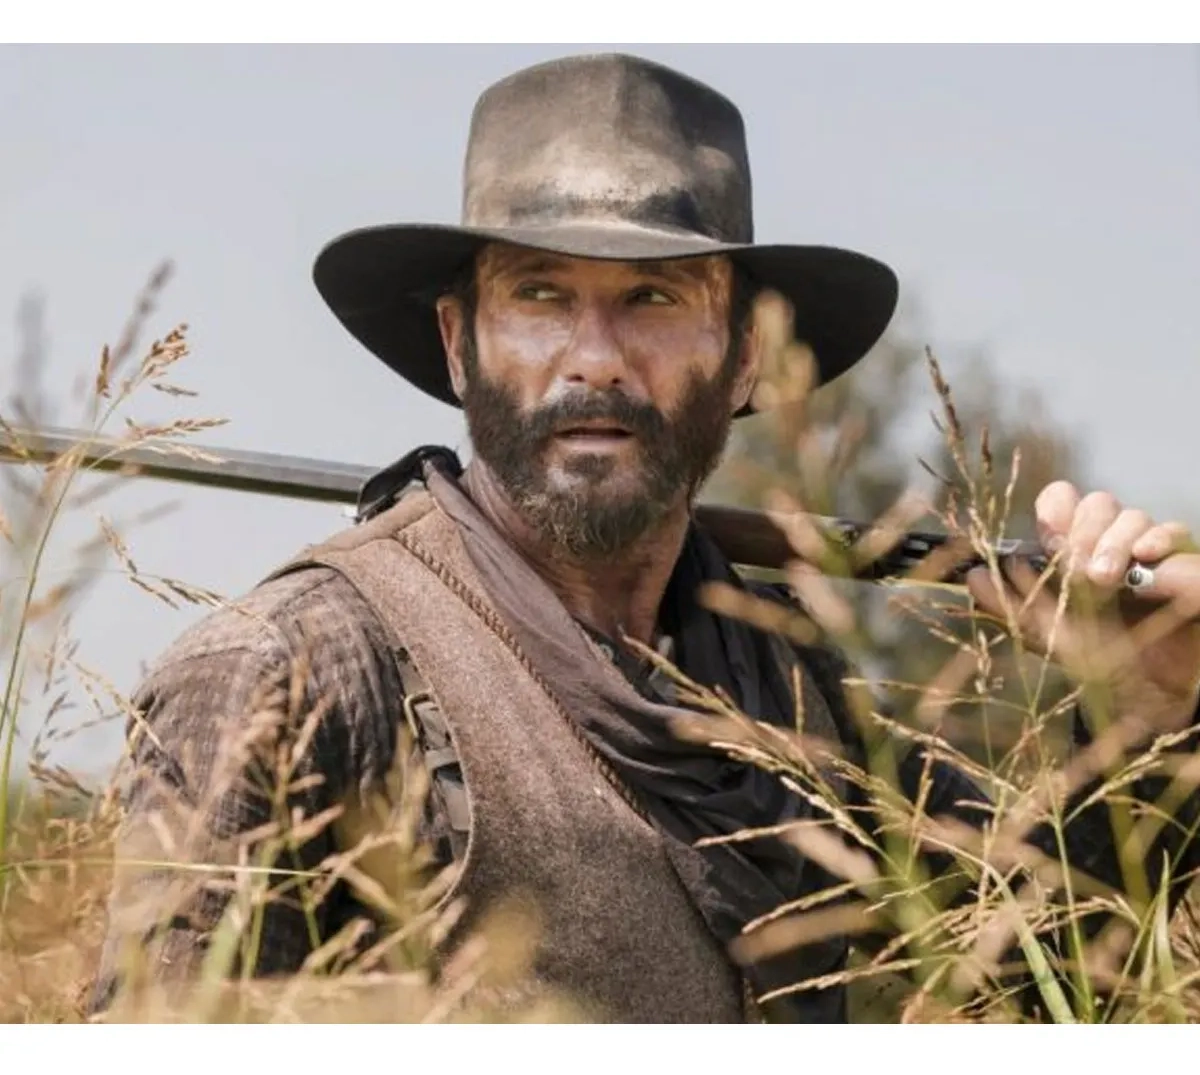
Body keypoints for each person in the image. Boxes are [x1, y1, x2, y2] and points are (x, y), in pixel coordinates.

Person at [91, 53, 1200, 1023]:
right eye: (539, 294)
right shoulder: (294, 674)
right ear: (459, 344)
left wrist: (1152, 707)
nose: (595, 358)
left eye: (655, 299)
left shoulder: (784, 687)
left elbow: (1050, 974)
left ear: (747, 357)